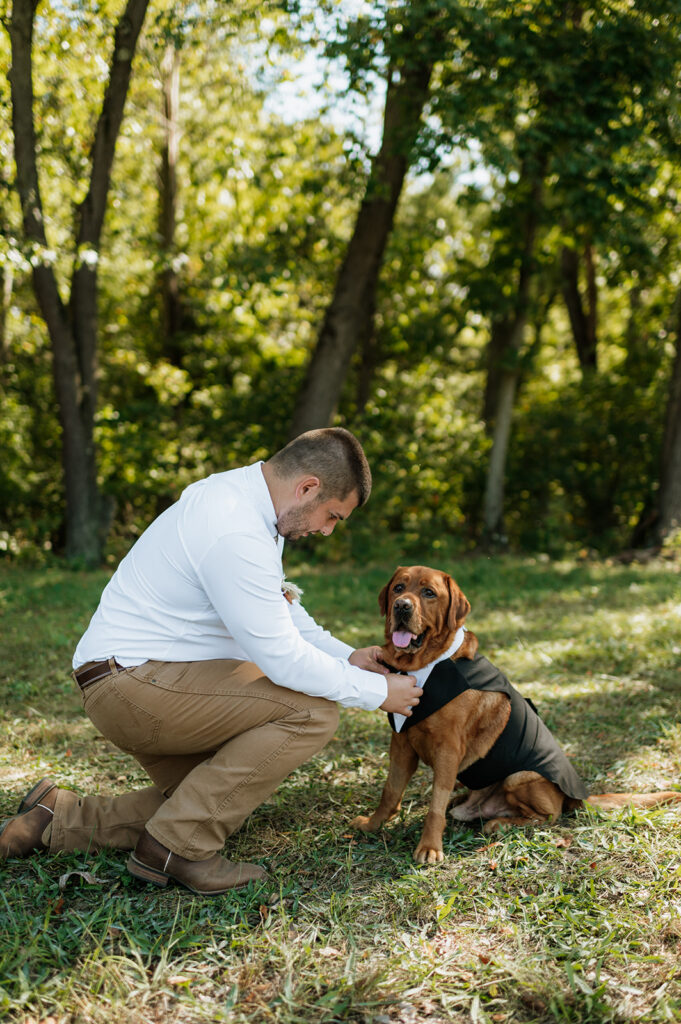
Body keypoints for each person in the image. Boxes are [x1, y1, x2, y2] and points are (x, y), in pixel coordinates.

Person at [0, 428, 421, 895]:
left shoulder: (246, 503)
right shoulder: (234, 529)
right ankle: (176, 850)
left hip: (139, 677)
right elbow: (282, 659)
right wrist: (381, 693)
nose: (326, 529)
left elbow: (279, 610)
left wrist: (347, 657)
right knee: (312, 712)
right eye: (332, 516)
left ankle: (56, 818)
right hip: (133, 685)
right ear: (307, 488)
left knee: (209, 800)